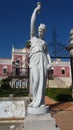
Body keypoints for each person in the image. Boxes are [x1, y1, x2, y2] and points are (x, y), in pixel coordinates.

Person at [29, 2, 51, 108]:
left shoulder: (44, 43)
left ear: (44, 32)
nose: (40, 32)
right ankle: (35, 100)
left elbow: (47, 54)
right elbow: (32, 23)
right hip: (34, 59)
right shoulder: (33, 38)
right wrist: (36, 10)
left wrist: (50, 63)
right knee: (36, 80)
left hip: (43, 60)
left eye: (42, 31)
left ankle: (41, 102)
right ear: (37, 31)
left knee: (42, 82)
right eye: (39, 30)